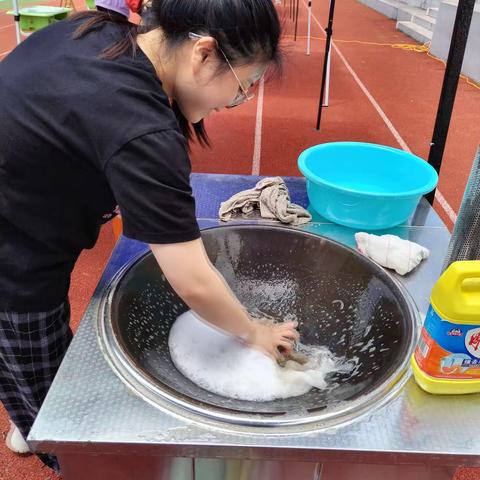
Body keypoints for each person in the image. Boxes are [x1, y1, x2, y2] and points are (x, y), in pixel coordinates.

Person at [0, 0, 299, 472]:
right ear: (203, 54)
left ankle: (27, 403)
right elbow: (194, 280)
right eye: (243, 87)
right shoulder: (141, 128)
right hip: (13, 259)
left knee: (32, 363)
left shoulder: (102, 32)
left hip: (23, 208)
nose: (232, 103)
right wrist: (253, 332)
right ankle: (51, 439)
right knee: (45, 385)